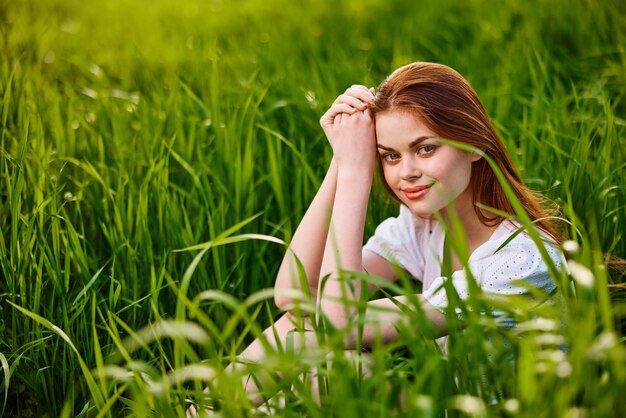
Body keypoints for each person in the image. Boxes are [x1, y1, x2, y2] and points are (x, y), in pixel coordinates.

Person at [187, 62, 564, 415]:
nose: (408, 173)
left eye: (426, 148)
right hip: (444, 396)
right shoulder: (425, 225)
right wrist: (342, 159)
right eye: (389, 156)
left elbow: (340, 327)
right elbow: (295, 295)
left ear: (477, 145)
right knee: (294, 333)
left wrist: (356, 172)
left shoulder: (522, 260)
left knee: (327, 371)